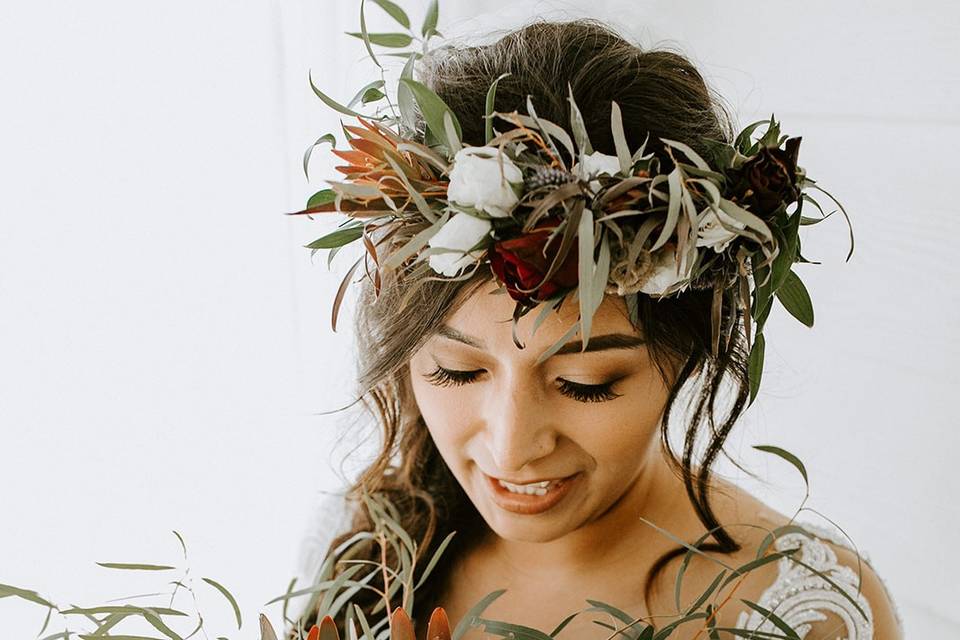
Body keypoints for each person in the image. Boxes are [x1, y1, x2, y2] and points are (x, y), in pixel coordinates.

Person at [288, 17, 904, 640]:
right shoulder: (361, 552)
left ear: (688, 347)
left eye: (584, 383)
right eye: (458, 370)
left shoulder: (802, 611)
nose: (511, 448)